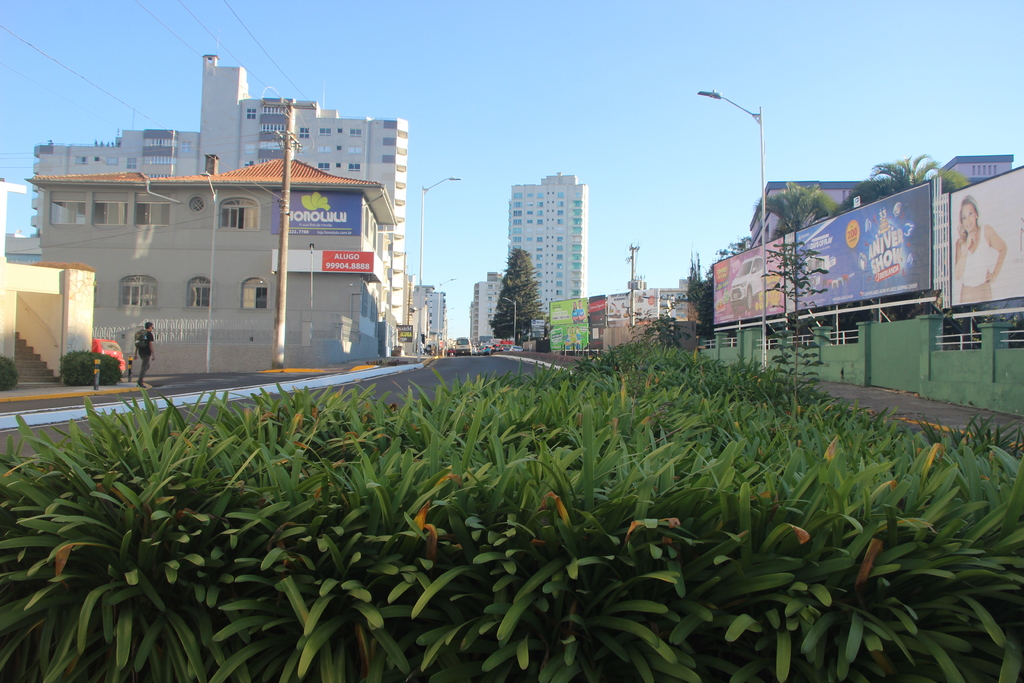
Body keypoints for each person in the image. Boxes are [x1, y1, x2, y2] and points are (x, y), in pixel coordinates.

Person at [953, 196, 1007, 304]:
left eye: (970, 214)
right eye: (964, 217)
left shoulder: (986, 230)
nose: (968, 220)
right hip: (966, 292)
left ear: (976, 214)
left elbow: (1003, 248)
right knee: (966, 319)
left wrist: (994, 275)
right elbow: (958, 275)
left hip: (984, 290)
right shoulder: (960, 243)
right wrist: (966, 246)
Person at [136, 322, 155, 388]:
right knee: (144, 367)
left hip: (140, 352)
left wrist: (136, 354)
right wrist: (153, 354)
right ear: (149, 327)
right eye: (152, 327)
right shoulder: (149, 334)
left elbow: (137, 344)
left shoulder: (141, 333)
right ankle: (140, 382)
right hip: (146, 352)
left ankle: (140, 380)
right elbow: (150, 344)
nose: (152, 328)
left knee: (147, 366)